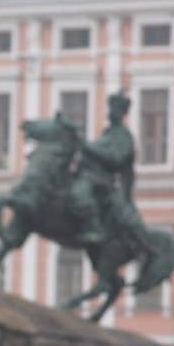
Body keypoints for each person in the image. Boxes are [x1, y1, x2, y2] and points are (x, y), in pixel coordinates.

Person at [68, 91, 136, 246]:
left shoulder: (124, 136)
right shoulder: (107, 134)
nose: (111, 112)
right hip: (90, 176)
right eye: (111, 108)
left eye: (115, 109)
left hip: (104, 181)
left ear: (122, 113)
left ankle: (95, 228)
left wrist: (87, 146)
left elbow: (115, 158)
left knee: (80, 193)